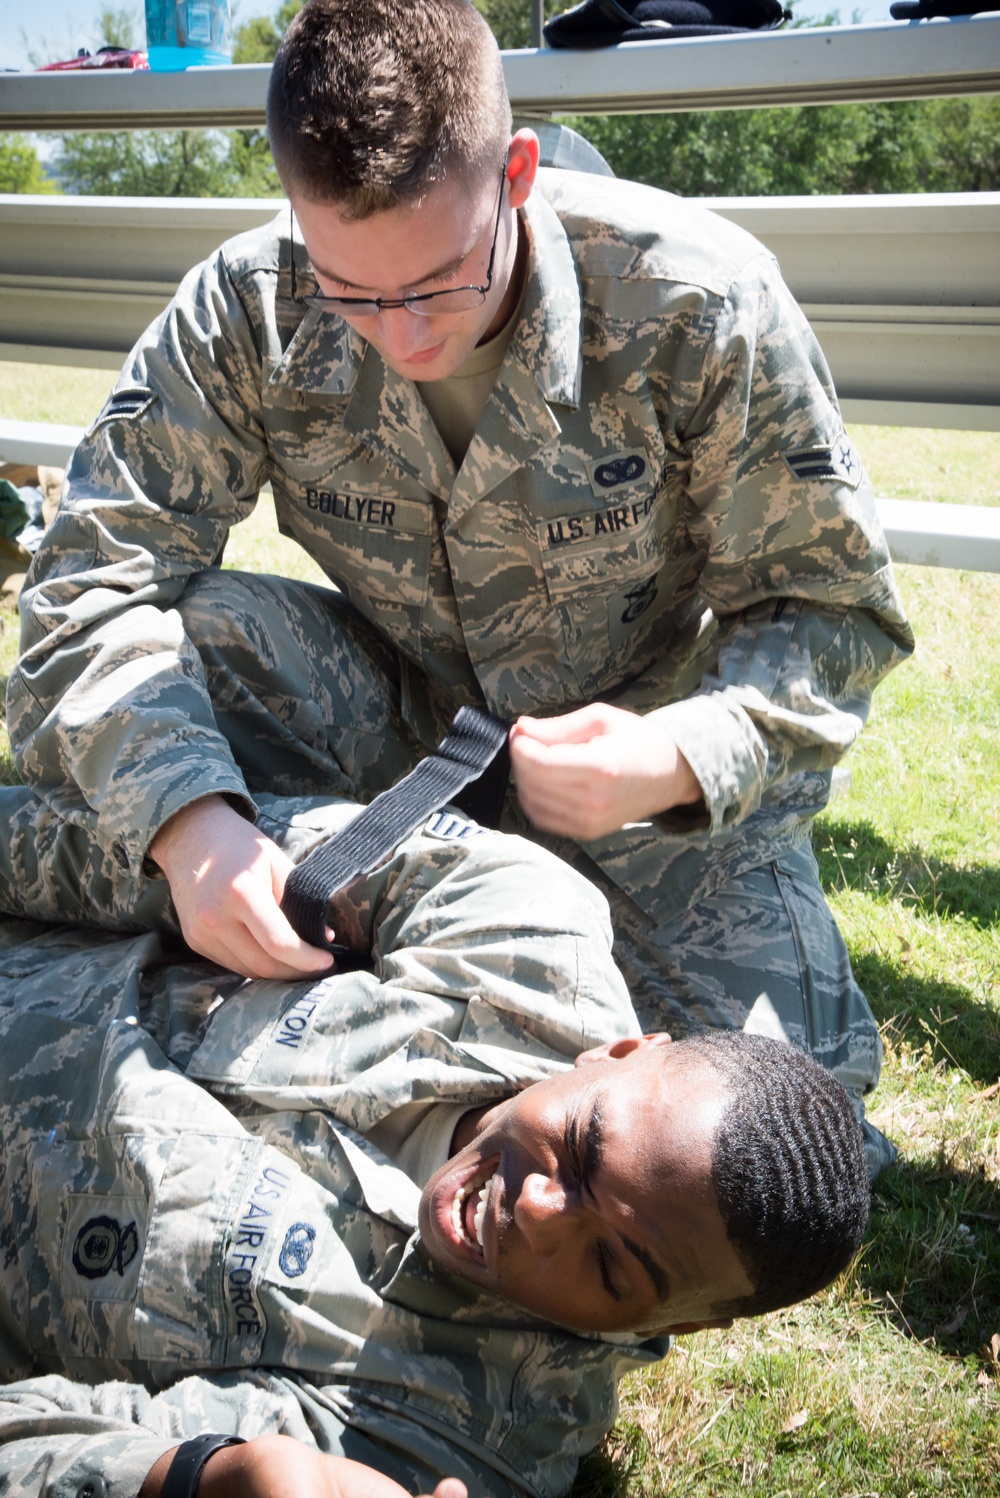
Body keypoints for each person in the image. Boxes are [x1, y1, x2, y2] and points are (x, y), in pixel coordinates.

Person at [6, 0, 913, 1172]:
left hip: (633, 754)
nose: (405, 333)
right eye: (352, 289)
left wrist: (679, 758)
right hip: (401, 721)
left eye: (439, 280)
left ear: (518, 174)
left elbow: (830, 606)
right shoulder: (247, 303)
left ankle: (396, 956)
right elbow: (91, 577)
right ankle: (237, 914)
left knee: (795, 1094)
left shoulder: (696, 302)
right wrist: (189, 826)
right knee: (205, 637)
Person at [0, 787, 869, 1498]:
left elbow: (36, 1448)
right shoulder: (520, 926)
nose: (536, 1210)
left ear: (685, 1323)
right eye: (581, 1147)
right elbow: (160, 862)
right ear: (623, 1050)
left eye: (611, 1267)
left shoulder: (467, 1434)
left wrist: (198, 1480)